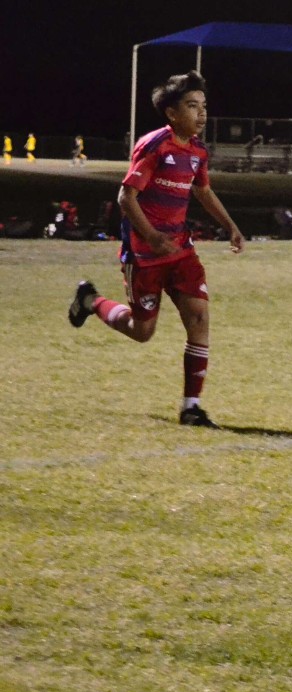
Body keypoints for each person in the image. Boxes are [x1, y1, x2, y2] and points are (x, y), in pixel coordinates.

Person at [67, 70, 245, 427]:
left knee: (198, 318)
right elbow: (126, 196)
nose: (201, 114)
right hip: (144, 253)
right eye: (192, 106)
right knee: (142, 331)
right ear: (171, 113)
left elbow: (203, 191)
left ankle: (191, 406)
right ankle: (90, 301)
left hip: (180, 250)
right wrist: (149, 236)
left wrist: (231, 226)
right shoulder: (154, 145)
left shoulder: (197, 151)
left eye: (204, 106)